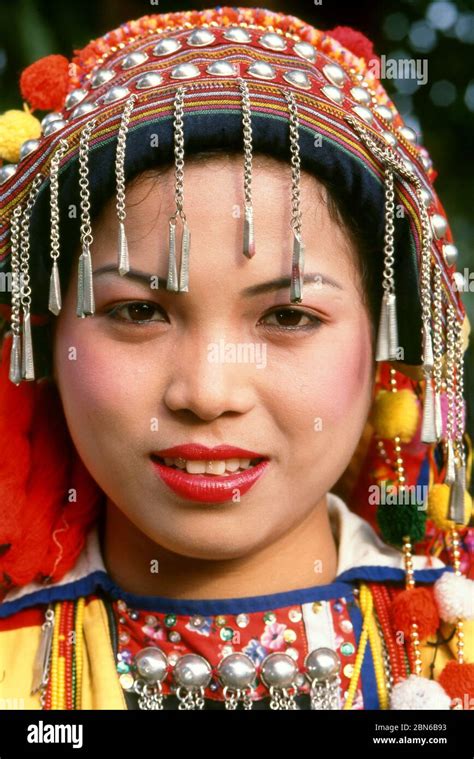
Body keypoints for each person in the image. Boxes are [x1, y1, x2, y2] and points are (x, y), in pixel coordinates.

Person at [0, 6, 472, 711]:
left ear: (386, 348)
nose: (208, 389)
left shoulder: (453, 648)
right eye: (138, 311)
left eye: (288, 316)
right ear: (42, 336)